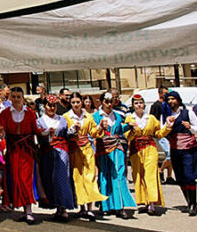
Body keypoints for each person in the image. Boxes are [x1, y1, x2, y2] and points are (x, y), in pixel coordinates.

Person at [0, 87, 40, 224]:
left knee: (26, 180)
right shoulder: (5, 113)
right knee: (16, 180)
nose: (16, 99)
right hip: (13, 151)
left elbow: (36, 130)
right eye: (13, 97)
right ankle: (22, 209)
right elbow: (2, 132)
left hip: (26, 152)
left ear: (23, 98)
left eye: (18, 97)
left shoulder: (31, 113)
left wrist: (48, 133)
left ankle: (29, 210)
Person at [124, 94, 171, 215]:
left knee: (150, 174)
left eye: (141, 103)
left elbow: (159, 134)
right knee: (138, 174)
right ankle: (143, 201)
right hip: (135, 149)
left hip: (150, 147)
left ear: (144, 104)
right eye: (136, 103)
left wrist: (168, 127)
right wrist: (133, 131)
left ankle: (151, 203)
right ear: (133, 106)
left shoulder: (151, 118)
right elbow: (127, 136)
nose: (139, 105)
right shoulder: (129, 119)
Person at [92, 92, 136, 217]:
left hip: (117, 146)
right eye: (106, 101)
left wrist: (128, 127)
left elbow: (119, 130)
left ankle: (120, 206)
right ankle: (105, 205)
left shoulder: (117, 116)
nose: (109, 104)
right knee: (104, 175)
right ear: (101, 102)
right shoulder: (95, 116)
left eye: (111, 101)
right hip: (103, 148)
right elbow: (93, 133)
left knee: (118, 173)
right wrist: (100, 128)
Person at [63, 92, 106, 221]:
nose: (76, 105)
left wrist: (100, 128)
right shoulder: (66, 116)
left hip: (87, 149)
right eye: (73, 102)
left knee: (90, 177)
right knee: (78, 178)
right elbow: (63, 134)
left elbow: (93, 133)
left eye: (78, 102)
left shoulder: (88, 116)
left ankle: (90, 208)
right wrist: (72, 130)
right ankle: (81, 207)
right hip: (74, 149)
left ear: (82, 102)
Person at [163, 91, 197, 216]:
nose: (171, 101)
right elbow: (162, 132)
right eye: (168, 99)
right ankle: (188, 202)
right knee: (180, 178)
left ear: (178, 100)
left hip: (189, 150)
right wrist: (167, 126)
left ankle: (193, 204)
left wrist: (190, 127)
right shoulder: (167, 116)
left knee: (189, 176)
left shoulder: (188, 113)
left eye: (173, 99)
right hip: (175, 150)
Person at [36, 95, 76, 221]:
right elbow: (39, 138)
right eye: (49, 105)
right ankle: (54, 205)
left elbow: (67, 135)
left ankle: (63, 208)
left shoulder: (62, 120)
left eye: (54, 105)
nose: (52, 108)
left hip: (62, 151)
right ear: (44, 106)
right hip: (47, 152)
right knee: (49, 179)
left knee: (62, 178)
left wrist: (73, 131)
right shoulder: (40, 121)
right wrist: (47, 134)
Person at [149, 86, 174, 183]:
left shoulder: (167, 104)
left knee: (171, 153)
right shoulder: (156, 105)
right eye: (165, 93)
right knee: (169, 154)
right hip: (160, 133)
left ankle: (169, 176)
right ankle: (161, 171)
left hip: (168, 132)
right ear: (160, 94)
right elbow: (153, 119)